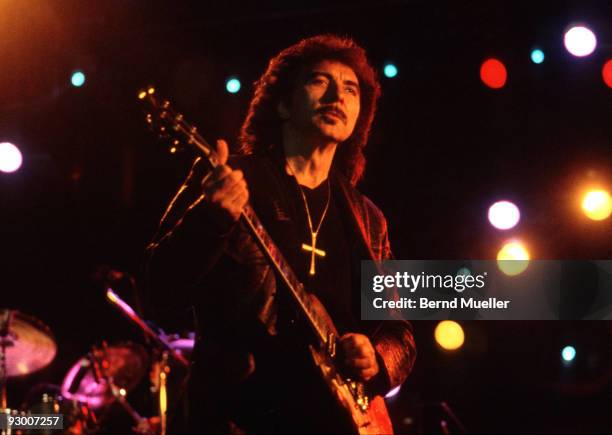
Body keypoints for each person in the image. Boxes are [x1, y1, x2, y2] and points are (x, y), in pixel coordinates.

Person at [145, 34, 416, 433]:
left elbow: (400, 329)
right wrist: (211, 220)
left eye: (350, 89)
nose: (336, 95)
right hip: (237, 414)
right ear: (284, 103)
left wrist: (377, 358)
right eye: (319, 81)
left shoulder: (368, 218)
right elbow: (156, 290)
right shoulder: (233, 177)